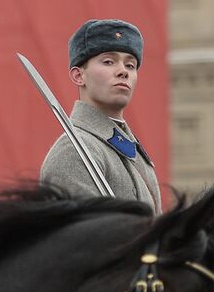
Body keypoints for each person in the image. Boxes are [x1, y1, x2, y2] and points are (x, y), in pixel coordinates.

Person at [40, 19, 161, 212]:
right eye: (108, 62)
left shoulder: (133, 149)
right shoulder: (73, 151)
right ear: (79, 76)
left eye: (130, 65)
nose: (123, 71)